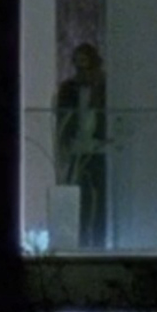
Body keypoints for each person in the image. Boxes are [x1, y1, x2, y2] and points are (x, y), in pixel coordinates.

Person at [55, 42, 109, 250]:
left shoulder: (103, 87)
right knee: (80, 196)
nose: (81, 65)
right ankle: (81, 240)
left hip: (99, 147)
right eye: (78, 61)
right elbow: (63, 118)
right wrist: (65, 142)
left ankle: (99, 241)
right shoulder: (68, 88)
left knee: (101, 196)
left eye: (85, 60)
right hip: (77, 148)